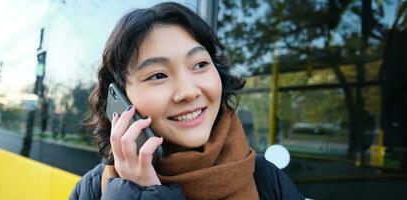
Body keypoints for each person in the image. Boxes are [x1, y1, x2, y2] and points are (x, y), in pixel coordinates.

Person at [70, 2, 303, 200]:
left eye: (200, 65)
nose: (189, 92)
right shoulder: (93, 189)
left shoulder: (266, 179)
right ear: (120, 97)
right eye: (158, 75)